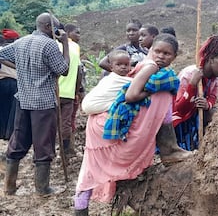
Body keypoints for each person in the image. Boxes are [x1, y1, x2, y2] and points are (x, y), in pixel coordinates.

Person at [74, 34, 192, 215]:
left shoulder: (150, 68)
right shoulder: (151, 67)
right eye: (157, 51)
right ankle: (169, 148)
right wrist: (151, 93)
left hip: (104, 124)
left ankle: (80, 209)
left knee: (89, 172)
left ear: (175, 57)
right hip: (104, 127)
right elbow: (131, 95)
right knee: (90, 172)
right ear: (150, 50)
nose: (161, 56)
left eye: (167, 54)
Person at [0, 12, 69, 196]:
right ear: (47, 27)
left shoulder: (21, 41)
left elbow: (1, 54)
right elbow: (64, 70)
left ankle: (9, 186)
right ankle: (42, 188)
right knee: (43, 145)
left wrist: (18, 67)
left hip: (23, 100)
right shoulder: (49, 44)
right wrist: (65, 45)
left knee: (18, 142)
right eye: (55, 28)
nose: (57, 31)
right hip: (43, 103)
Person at [172, 35, 218, 151]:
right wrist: (192, 85)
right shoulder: (189, 74)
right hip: (181, 118)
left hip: (197, 116)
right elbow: (179, 108)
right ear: (211, 59)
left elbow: (213, 97)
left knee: (214, 113)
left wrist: (207, 104)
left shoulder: (214, 78)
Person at [81, 49, 132, 115]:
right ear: (111, 68)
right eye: (119, 64)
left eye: (126, 64)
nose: (123, 67)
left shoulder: (108, 78)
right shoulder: (118, 79)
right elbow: (140, 83)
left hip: (89, 105)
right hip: (94, 106)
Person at [57, 23, 81, 155]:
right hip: (69, 93)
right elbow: (79, 71)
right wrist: (76, 91)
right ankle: (65, 151)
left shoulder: (53, 45)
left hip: (54, 91)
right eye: (77, 33)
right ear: (67, 32)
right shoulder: (74, 47)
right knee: (65, 123)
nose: (79, 36)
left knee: (51, 122)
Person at [0, 29, 20, 140]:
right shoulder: (15, 50)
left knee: (2, 109)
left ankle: (1, 133)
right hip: (13, 83)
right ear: (14, 39)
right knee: (12, 111)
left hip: (1, 82)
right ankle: (9, 135)